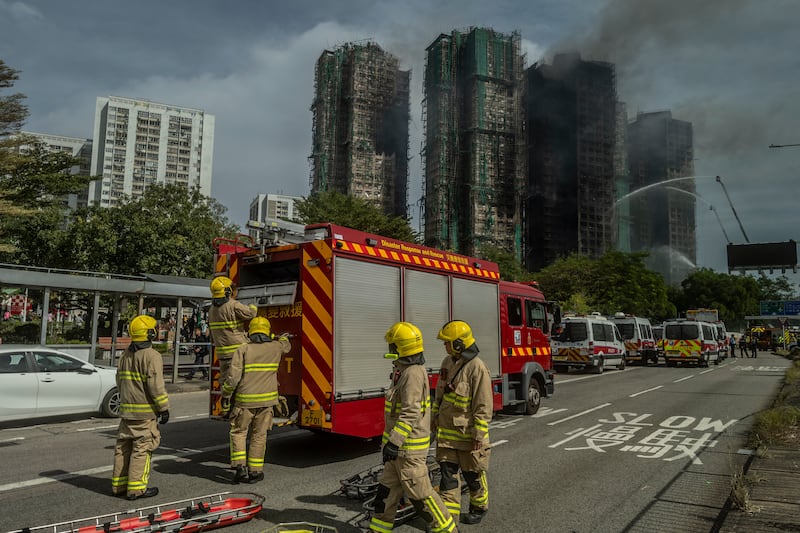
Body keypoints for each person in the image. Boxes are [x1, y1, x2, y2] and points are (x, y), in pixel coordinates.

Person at [368, 322, 457, 533]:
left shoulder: (413, 374)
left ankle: (446, 529)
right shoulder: (403, 370)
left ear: (401, 348)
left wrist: (394, 442)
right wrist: (390, 444)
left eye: (392, 345)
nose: (389, 349)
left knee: (421, 494)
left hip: (408, 451)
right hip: (398, 450)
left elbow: (410, 412)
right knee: (386, 494)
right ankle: (379, 529)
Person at [432, 320, 492, 525]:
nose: (444, 346)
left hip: (468, 436)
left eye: (447, 342)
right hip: (447, 436)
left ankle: (479, 507)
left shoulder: (477, 367)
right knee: (448, 478)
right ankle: (448, 521)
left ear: (458, 344)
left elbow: (483, 404)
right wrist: (433, 417)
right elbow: (440, 393)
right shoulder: (447, 363)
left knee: (472, 476)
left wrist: (479, 435)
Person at [221, 316, 290, 484]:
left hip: (244, 401)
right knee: (259, 435)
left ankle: (239, 468)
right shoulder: (275, 347)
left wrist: (226, 394)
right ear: (267, 331)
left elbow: (233, 377)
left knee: (238, 432)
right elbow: (286, 345)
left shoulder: (243, 349)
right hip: (267, 402)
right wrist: (278, 337)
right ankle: (255, 472)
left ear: (250, 332)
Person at [112, 314, 170, 500]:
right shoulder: (152, 356)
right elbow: (156, 386)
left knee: (123, 448)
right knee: (142, 449)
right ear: (150, 333)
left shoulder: (126, 355)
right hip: (145, 413)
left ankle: (119, 486)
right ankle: (136, 489)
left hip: (127, 412)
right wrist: (163, 408)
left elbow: (119, 381)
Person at [208, 275, 257, 385]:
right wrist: (253, 305)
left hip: (222, 354)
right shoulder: (233, 305)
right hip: (237, 353)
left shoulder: (211, 309)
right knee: (241, 383)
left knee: (226, 382)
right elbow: (251, 313)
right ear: (228, 291)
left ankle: (226, 401)